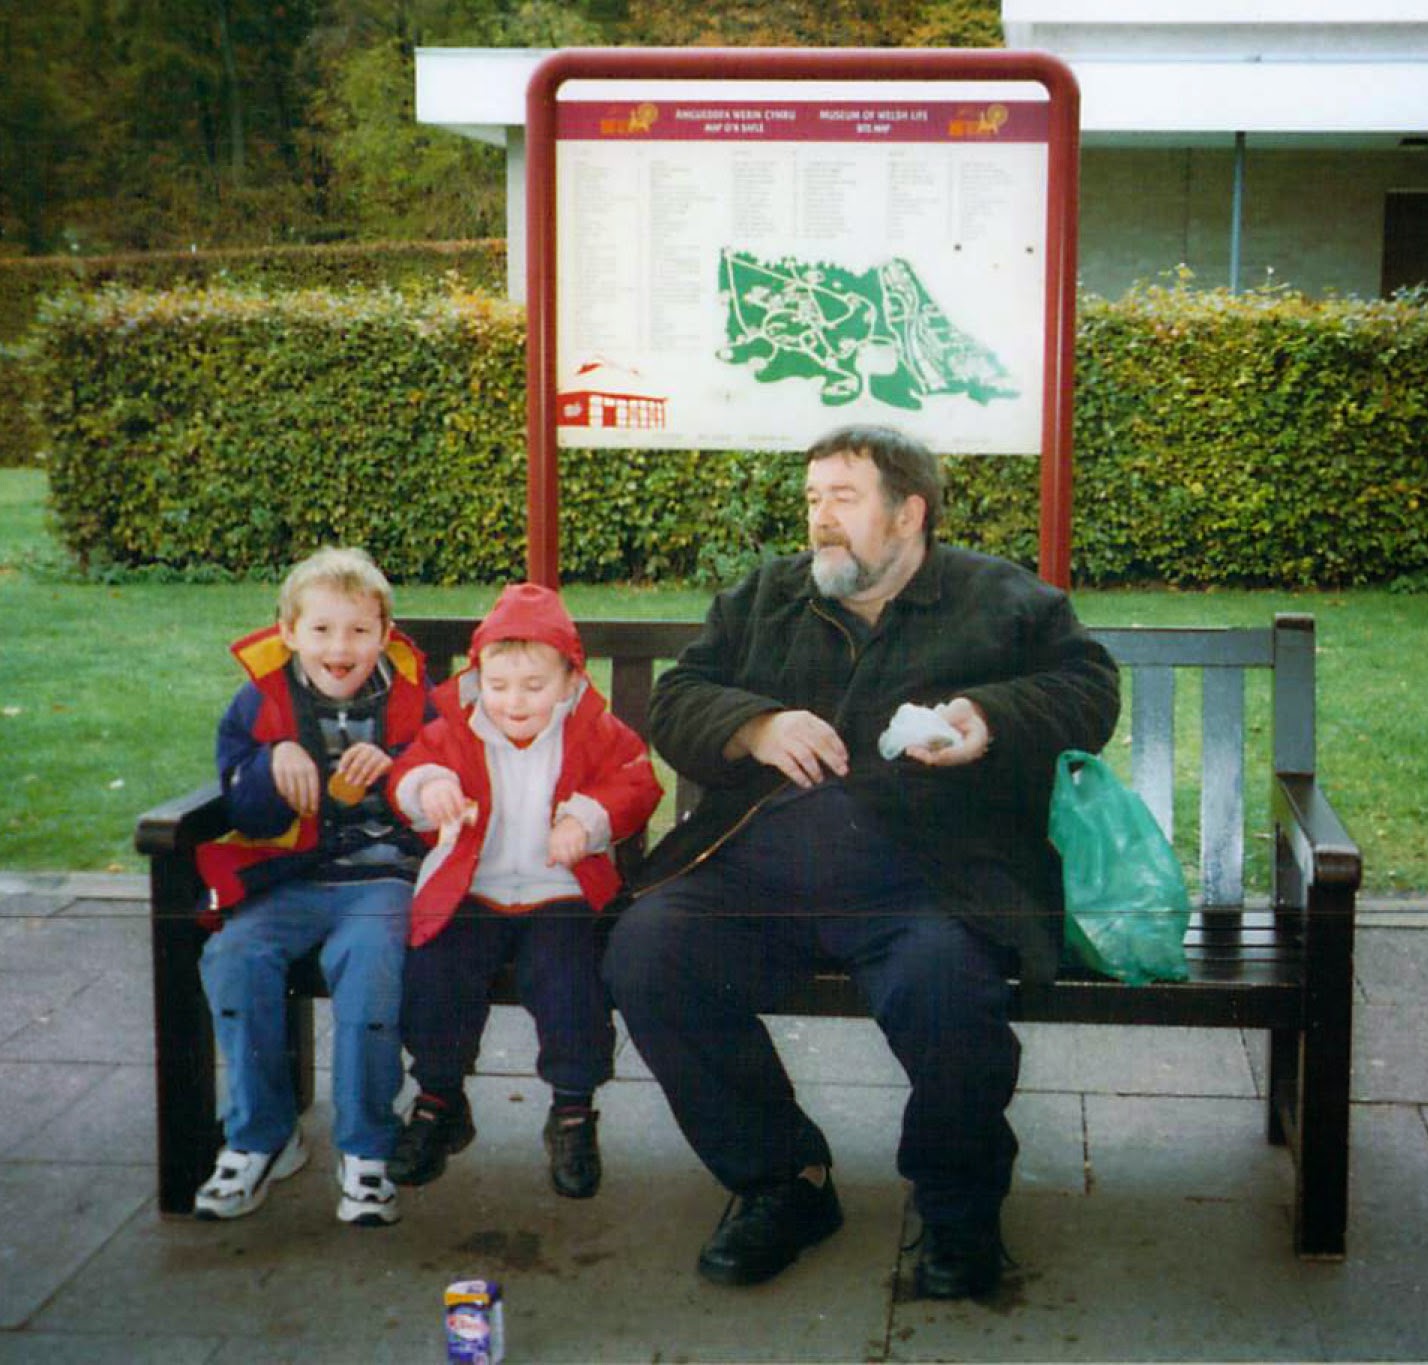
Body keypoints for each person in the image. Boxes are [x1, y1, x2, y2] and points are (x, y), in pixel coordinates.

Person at [604, 425, 1120, 1299]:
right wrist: (753, 725)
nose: (819, 519)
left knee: (945, 991)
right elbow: (679, 697)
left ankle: (957, 1207)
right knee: (647, 950)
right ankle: (782, 1180)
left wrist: (986, 717)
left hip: (929, 877)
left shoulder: (1001, 600)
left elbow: (1087, 687)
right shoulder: (767, 597)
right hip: (761, 869)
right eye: (812, 499)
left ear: (908, 512)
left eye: (842, 498)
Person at [385, 583, 663, 1200]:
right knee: (435, 972)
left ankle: (572, 1108)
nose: (514, 701)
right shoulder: (455, 728)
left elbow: (637, 783)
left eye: (534, 686)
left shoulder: (595, 731)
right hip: (473, 887)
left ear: (568, 683)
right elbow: (408, 770)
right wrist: (428, 787)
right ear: (477, 679)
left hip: (560, 891)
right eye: (499, 684)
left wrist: (587, 819)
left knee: (569, 981)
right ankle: (439, 1098)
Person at [194, 547, 431, 1226]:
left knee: (370, 964)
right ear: (288, 631)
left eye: (358, 630)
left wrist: (400, 766)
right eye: (321, 629)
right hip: (289, 879)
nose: (339, 647)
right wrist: (270, 765)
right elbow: (241, 806)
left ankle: (365, 1146)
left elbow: (448, 769)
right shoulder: (259, 703)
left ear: (384, 634)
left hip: (381, 877)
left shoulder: (413, 699)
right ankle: (262, 1134)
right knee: (235, 956)